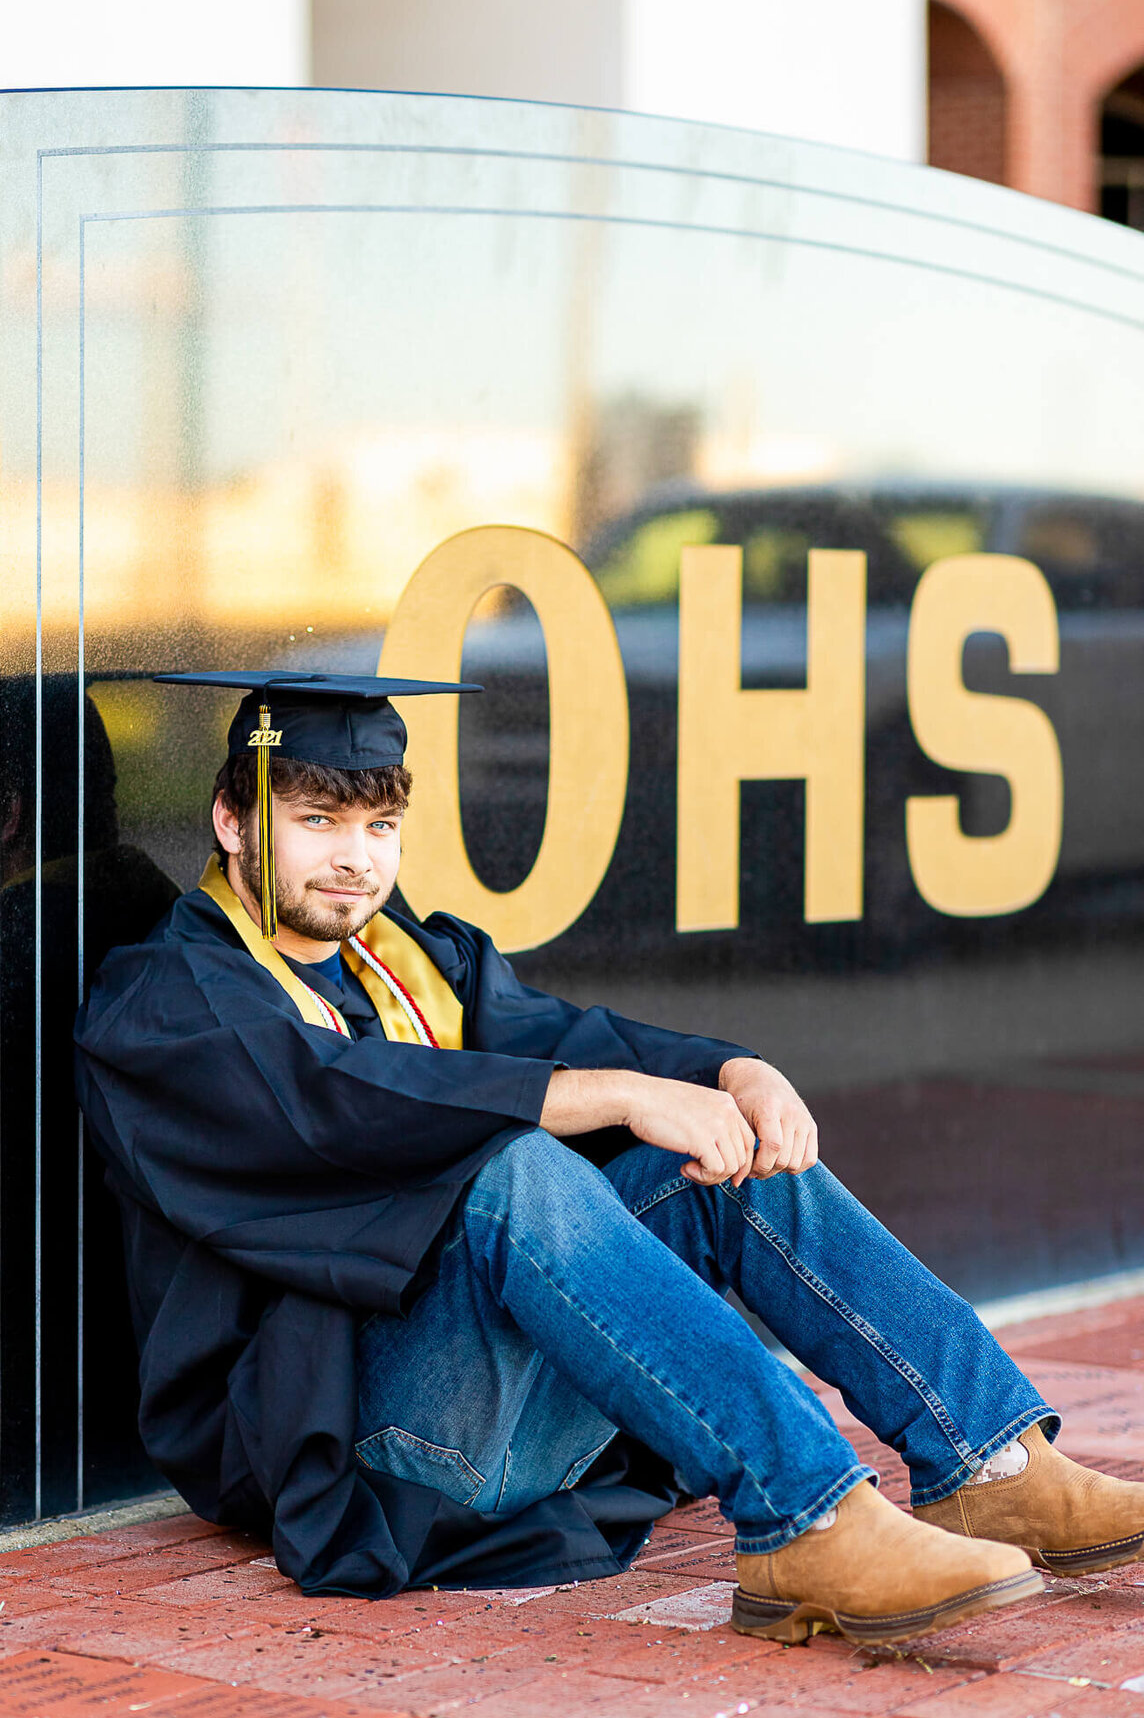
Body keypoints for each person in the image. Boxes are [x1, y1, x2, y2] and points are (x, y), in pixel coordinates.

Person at [74, 672, 1144, 1646]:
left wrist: (733, 1073)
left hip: (500, 1406)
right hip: (354, 1438)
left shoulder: (418, 966)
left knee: (730, 1166)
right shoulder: (165, 1003)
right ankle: (806, 1517)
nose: (356, 858)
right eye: (315, 822)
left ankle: (989, 1463)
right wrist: (623, 1098)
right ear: (232, 819)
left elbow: (569, 1038)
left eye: (380, 825)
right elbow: (340, 1104)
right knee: (520, 1167)